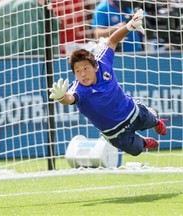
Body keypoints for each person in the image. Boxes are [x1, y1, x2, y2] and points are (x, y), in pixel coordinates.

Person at [49, 9, 167, 156]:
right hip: (115, 133)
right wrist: (61, 97)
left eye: (85, 68)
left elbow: (112, 40)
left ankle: (156, 121)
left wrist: (129, 26)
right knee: (136, 150)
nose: (83, 74)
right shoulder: (78, 89)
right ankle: (144, 142)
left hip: (132, 112)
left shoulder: (103, 62)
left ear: (95, 66)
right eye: (78, 71)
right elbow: (69, 98)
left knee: (151, 119)